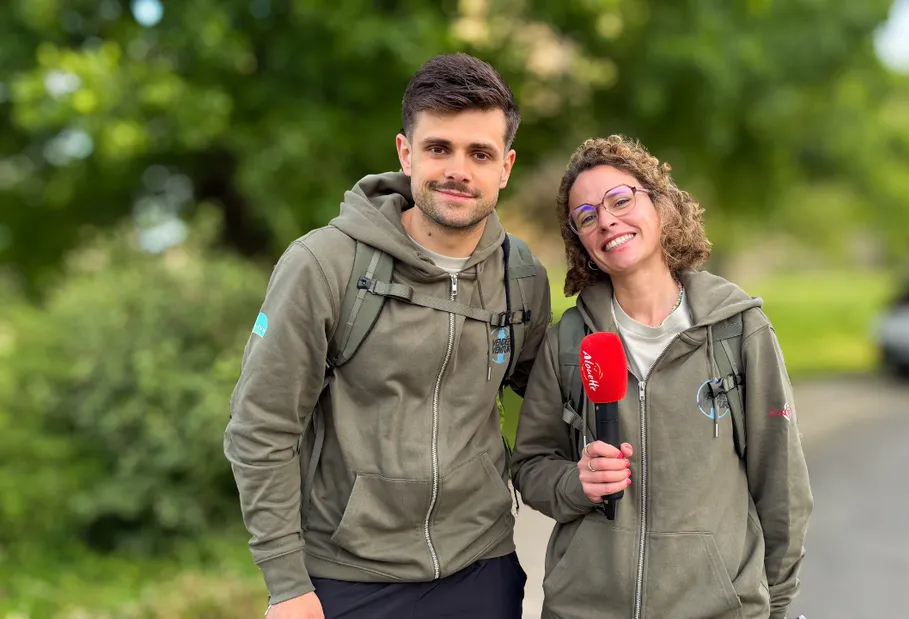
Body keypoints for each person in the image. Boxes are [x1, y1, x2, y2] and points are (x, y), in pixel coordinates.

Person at [224, 53, 551, 619]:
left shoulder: (519, 276)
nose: (458, 170)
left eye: (479, 154)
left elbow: (552, 397)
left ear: (506, 167)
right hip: (350, 577)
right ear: (405, 152)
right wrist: (286, 583)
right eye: (438, 148)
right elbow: (261, 427)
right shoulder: (324, 264)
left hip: (485, 567)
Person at [510, 135, 813, 619]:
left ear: (661, 205)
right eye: (586, 216)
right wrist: (576, 482)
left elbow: (783, 484)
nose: (606, 220)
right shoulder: (567, 343)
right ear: (581, 242)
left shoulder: (738, 330)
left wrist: (774, 603)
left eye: (620, 200)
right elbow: (530, 465)